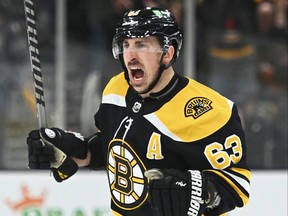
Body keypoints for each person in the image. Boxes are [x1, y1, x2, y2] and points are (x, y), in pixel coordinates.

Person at [27, 7, 251, 216]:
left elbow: (236, 185)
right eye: (126, 45)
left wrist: (200, 193)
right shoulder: (116, 89)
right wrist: (74, 149)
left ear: (168, 53)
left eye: (141, 44)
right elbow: (115, 148)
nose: (130, 55)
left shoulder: (207, 109)